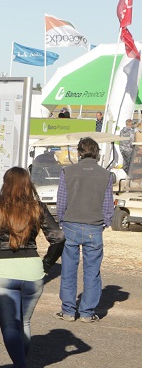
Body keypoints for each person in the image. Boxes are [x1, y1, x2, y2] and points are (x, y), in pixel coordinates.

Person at [0, 167, 65, 368]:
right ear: (28, 184)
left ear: (5, 183)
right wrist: (47, 265)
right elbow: (58, 237)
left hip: (1, 270)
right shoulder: (37, 207)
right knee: (25, 324)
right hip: (32, 271)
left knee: (10, 326)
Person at [56, 137, 113, 323]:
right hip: (94, 226)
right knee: (92, 271)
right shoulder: (105, 174)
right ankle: (87, 313)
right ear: (96, 152)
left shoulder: (68, 171)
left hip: (71, 224)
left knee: (69, 270)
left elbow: (62, 201)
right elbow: (107, 205)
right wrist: (104, 223)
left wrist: (63, 220)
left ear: (79, 153)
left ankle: (68, 311)